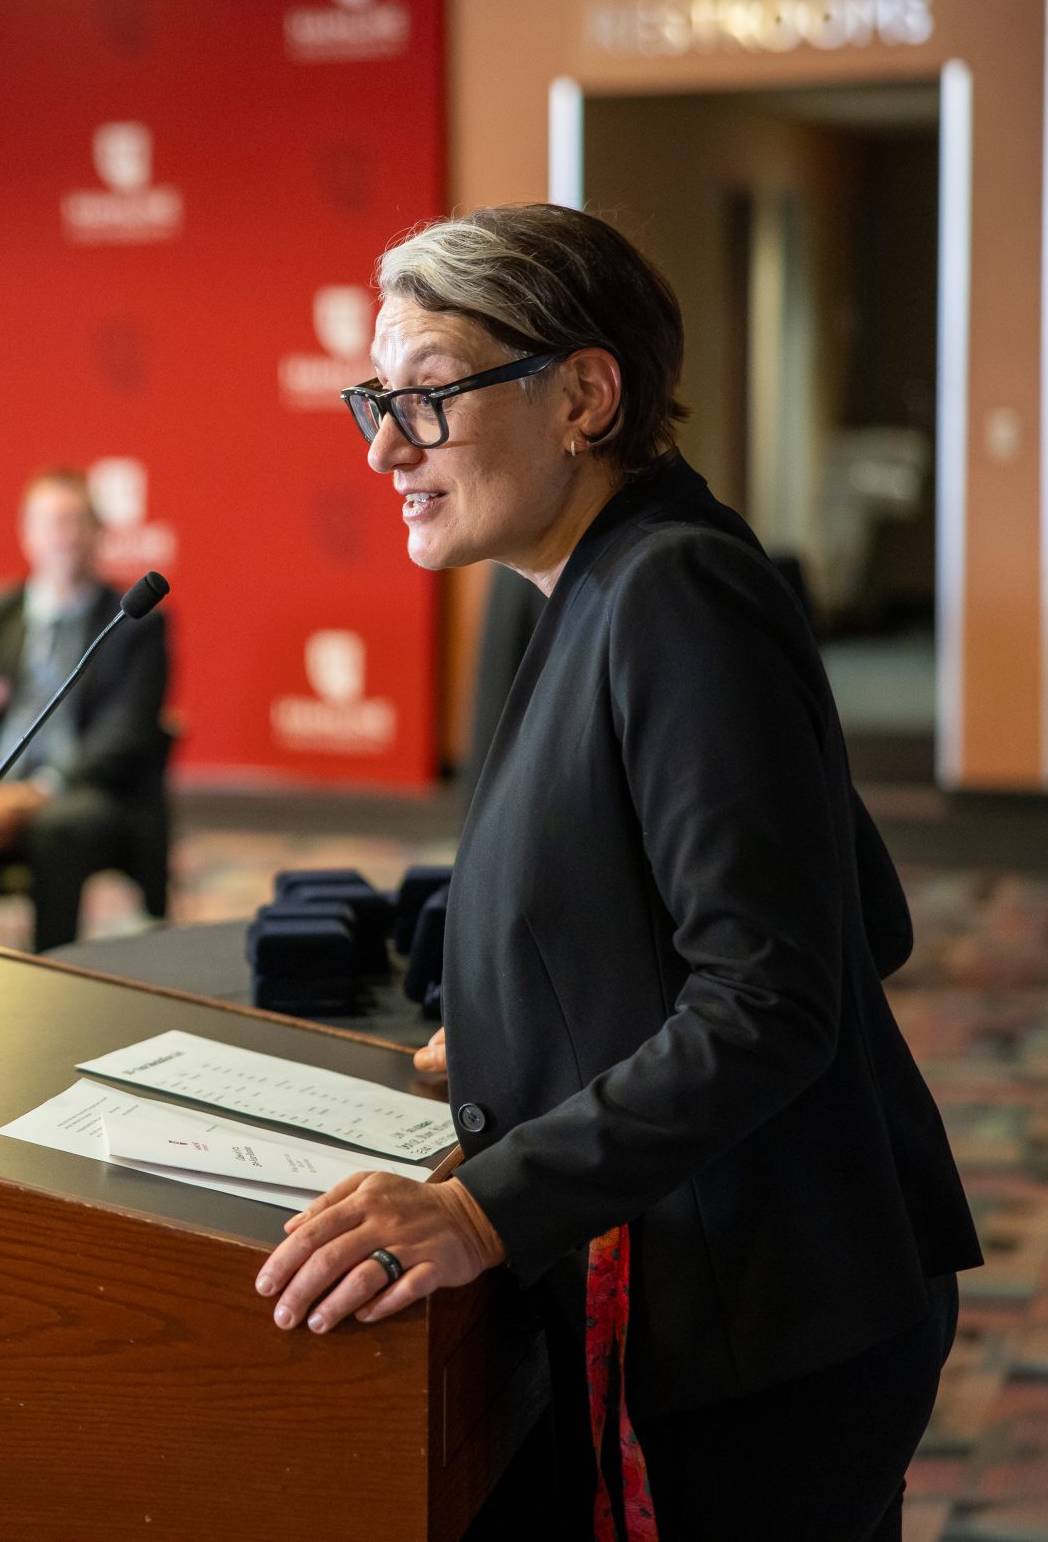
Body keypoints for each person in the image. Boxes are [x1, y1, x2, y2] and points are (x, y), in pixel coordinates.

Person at [254, 207, 980, 1539]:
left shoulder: (671, 592)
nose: (383, 448)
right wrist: (541, 1028)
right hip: (729, 1287)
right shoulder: (587, 581)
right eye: (376, 399)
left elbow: (772, 997)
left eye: (427, 396)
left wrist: (483, 1211)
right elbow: (854, 911)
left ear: (584, 396)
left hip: (769, 1321)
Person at [0, 469, 171, 952]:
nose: (63, 536)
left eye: (75, 521)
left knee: (57, 828)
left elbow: (124, 734)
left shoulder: (134, 622)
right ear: (26, 533)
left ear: (98, 532)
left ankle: (51, 968)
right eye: (50, 522)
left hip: (84, 791)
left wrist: (37, 795)